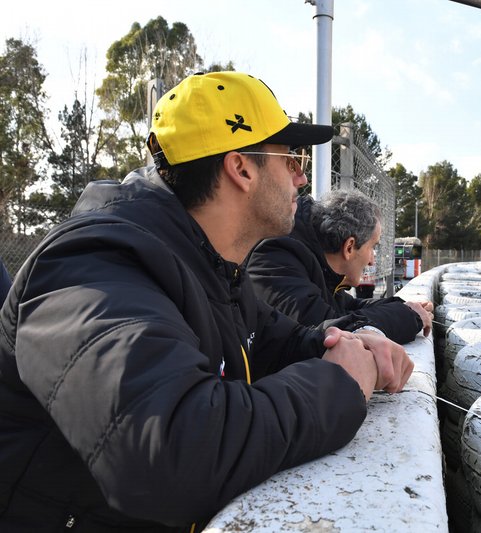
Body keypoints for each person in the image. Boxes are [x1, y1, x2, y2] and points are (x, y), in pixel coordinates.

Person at [0, 71, 413, 532]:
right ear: (241, 168)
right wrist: (339, 384)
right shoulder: (93, 265)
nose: (301, 176)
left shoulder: (212, 264)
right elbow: (168, 452)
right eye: (291, 157)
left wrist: (347, 343)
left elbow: (281, 340)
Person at [246, 189, 433, 344]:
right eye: (372, 247)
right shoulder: (276, 257)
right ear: (349, 247)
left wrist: (406, 307)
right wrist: (409, 317)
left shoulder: (316, 262)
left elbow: (349, 307)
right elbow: (328, 330)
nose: (372, 261)